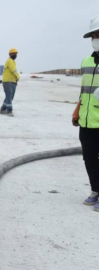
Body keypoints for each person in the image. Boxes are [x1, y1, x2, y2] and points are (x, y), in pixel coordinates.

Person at [72, 14, 99, 211]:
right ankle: (95, 190)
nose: (95, 38)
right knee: (89, 157)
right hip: (87, 120)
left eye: (98, 34)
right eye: (94, 35)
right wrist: (77, 110)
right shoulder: (86, 62)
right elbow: (85, 91)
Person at [0, 48, 20, 116]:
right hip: (8, 81)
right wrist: (18, 76)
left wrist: (15, 79)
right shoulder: (10, 61)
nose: (15, 55)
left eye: (15, 54)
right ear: (10, 54)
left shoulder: (12, 61)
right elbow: (13, 70)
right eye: (13, 54)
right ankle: (9, 111)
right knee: (9, 96)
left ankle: (3, 109)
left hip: (12, 81)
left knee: (10, 97)